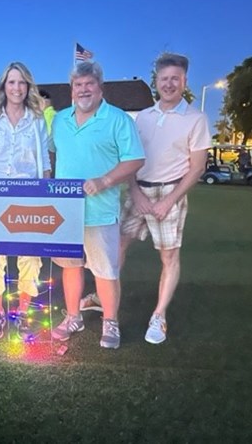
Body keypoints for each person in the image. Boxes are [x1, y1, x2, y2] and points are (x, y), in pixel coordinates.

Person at [50, 61, 145, 349]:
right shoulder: (60, 120)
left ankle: (110, 322)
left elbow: (135, 159)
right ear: (71, 90)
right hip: (65, 213)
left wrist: (104, 181)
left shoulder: (118, 120)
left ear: (100, 87)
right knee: (70, 267)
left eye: (89, 84)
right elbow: (52, 155)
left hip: (100, 211)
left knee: (105, 271)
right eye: (78, 86)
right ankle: (73, 316)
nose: (83, 90)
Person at [118, 52, 211, 344]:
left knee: (168, 256)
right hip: (137, 190)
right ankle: (102, 295)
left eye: (175, 78)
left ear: (184, 81)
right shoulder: (143, 117)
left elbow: (197, 168)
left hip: (170, 191)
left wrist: (169, 201)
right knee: (115, 246)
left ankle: (159, 316)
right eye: (163, 79)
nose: (169, 84)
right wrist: (135, 192)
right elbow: (129, 158)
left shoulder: (196, 119)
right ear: (155, 82)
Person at [0, 62, 51, 340]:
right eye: (11, 82)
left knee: (30, 259)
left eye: (21, 83)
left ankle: (22, 313)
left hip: (29, 196)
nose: (16, 88)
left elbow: (44, 159)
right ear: (3, 86)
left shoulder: (36, 119)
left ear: (28, 86)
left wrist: (46, 192)